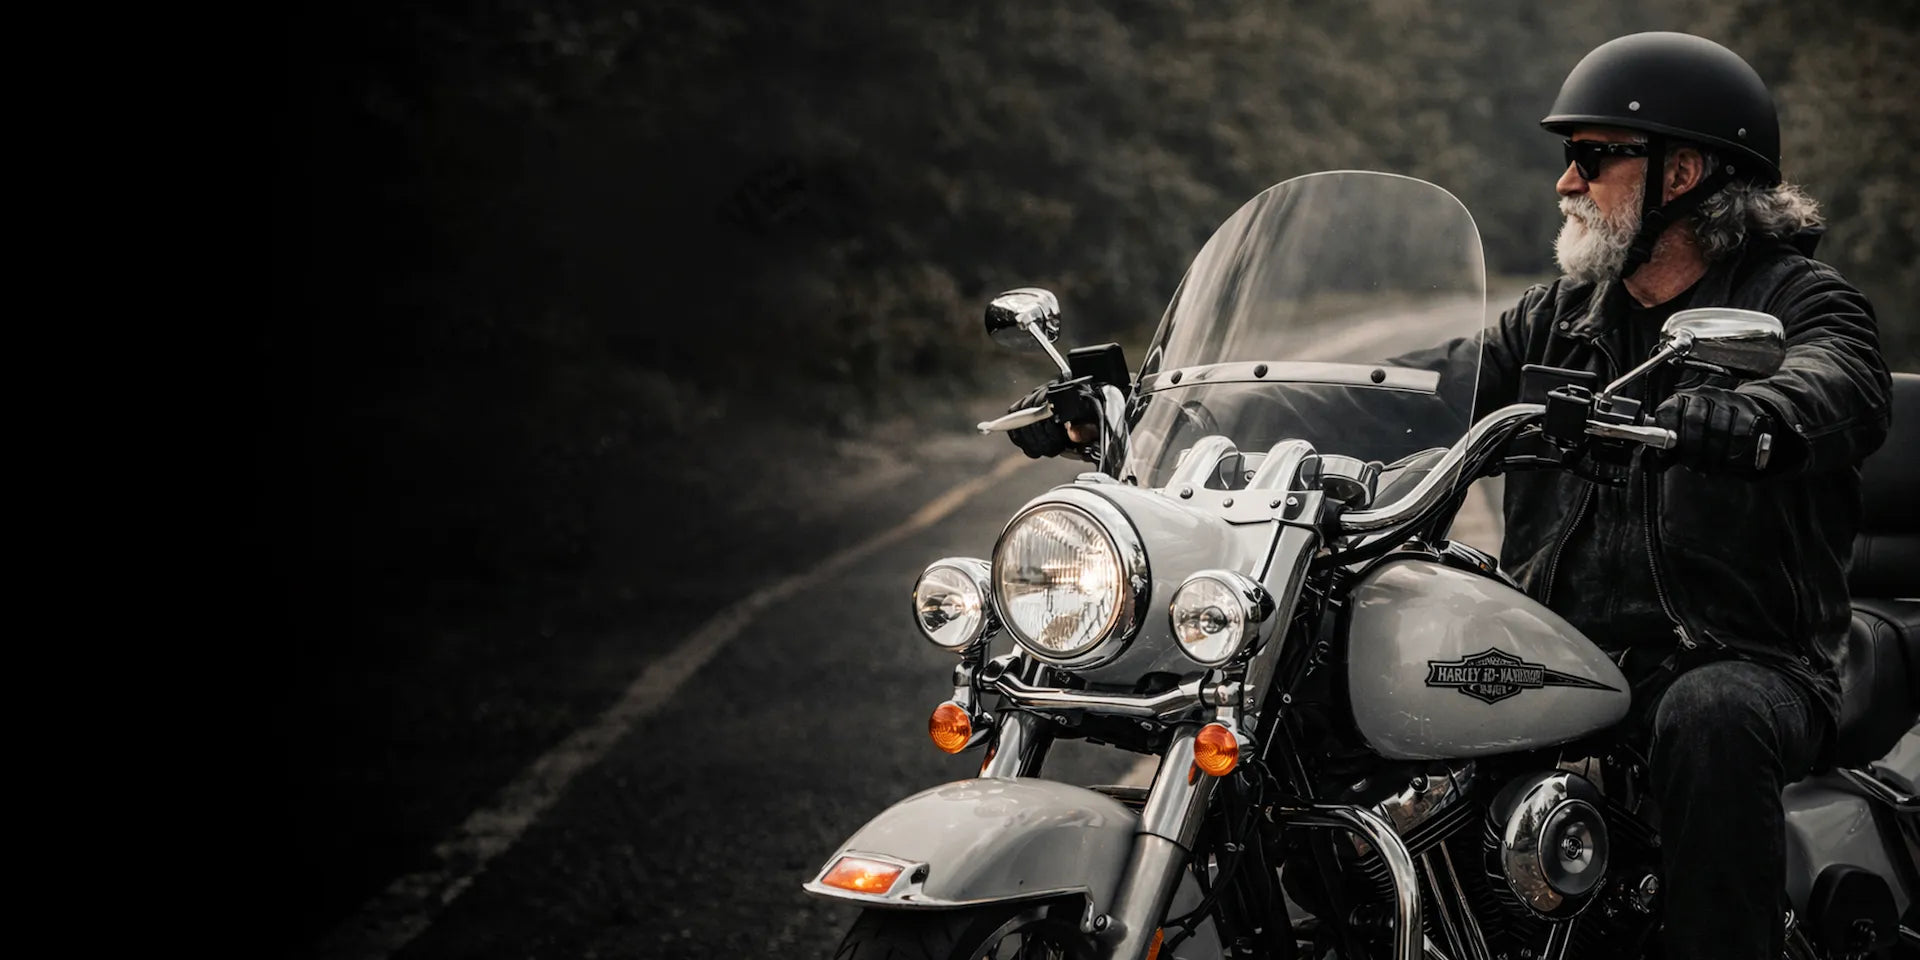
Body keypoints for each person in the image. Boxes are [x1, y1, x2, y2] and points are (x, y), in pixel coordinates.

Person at [1008, 31, 1892, 960]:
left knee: (1713, 719)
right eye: (1570, 158)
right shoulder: (1559, 318)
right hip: (1566, 651)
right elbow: (1402, 391)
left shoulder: (1799, 301)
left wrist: (1748, 414)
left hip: (1740, 652)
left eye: (1595, 157)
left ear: (1685, 173)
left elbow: (1839, 381)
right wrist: (1166, 408)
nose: (1567, 182)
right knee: (1315, 669)